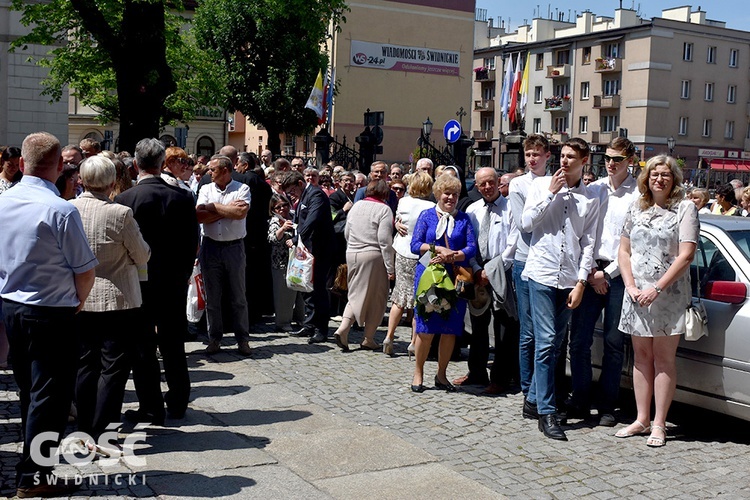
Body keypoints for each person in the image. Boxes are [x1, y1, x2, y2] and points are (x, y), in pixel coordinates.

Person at [0, 132, 97, 497]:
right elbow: (85, 269)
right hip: (52, 311)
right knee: (50, 397)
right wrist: (79, 302)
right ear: (58, 167)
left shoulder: (4, 203)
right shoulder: (61, 209)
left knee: (30, 391)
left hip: (14, 307)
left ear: (22, 164)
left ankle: (32, 467)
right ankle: (34, 477)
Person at [615, 155, 698, 447]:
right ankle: (641, 419)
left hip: (668, 295)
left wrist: (658, 289)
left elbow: (686, 255)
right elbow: (623, 251)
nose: (659, 179)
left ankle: (659, 424)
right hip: (636, 293)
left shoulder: (685, 208)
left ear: (673, 179)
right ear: (646, 179)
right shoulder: (636, 206)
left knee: (663, 359)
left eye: (665, 174)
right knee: (641, 358)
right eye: (654, 175)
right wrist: (631, 285)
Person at [115, 138, 199, 424]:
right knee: (173, 343)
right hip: (173, 280)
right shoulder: (184, 197)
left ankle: (151, 405)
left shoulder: (126, 200)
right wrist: (184, 273)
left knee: (143, 346)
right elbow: (192, 242)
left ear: (136, 165)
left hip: (139, 281)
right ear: (163, 164)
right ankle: (178, 400)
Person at [70, 155, 151, 451]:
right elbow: (142, 254)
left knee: (85, 363)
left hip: (80, 295)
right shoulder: (121, 213)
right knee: (113, 367)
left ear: (81, 179)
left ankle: (83, 428)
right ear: (113, 181)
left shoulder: (69, 209)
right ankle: (101, 430)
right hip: (118, 297)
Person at [521, 137, 599, 441]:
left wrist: (581, 282)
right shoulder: (541, 186)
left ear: (584, 161)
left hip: (568, 278)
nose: (564, 162)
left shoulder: (590, 198)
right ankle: (547, 412)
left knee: (555, 345)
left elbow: (588, 242)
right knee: (545, 341)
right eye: (562, 156)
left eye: (571, 158)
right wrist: (549, 195)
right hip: (540, 272)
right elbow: (527, 224)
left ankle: (532, 401)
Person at [568, 137, 640, 427]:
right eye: (607, 158)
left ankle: (609, 405)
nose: (611, 164)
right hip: (589, 270)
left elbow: (636, 244)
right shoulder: (594, 189)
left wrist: (606, 275)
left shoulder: (637, 194)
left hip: (619, 274)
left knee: (613, 342)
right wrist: (588, 274)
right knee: (579, 340)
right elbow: (580, 233)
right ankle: (581, 398)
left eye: (618, 159)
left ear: (630, 161)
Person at [410, 175, 477, 393]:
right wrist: (437, 249)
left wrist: (454, 255)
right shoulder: (426, 216)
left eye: (454, 194)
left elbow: (471, 248)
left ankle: (441, 374)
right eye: (446, 193)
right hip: (429, 275)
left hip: (454, 279)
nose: (450, 198)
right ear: (438, 194)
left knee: (450, 329)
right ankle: (418, 372)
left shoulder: (464, 219)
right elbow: (415, 244)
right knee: (426, 328)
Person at [455, 167, 518, 394]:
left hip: (502, 271)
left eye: (491, 182)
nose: (487, 188)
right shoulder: (472, 210)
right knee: (478, 326)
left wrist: (492, 271)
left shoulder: (511, 208)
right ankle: (477, 372)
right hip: (477, 271)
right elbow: (468, 243)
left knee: (504, 327)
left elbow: (513, 244)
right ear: (477, 186)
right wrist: (476, 269)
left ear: (499, 182)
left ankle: (501, 378)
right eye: (482, 184)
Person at [508, 134, 550, 420]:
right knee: (529, 331)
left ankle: (541, 388)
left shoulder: (556, 181)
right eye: (528, 154)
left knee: (548, 333)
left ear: (548, 155)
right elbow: (525, 224)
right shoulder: (518, 184)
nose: (532, 159)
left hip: (549, 263)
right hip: (525, 259)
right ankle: (528, 389)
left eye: (537, 154)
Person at [197, 155, 253, 355]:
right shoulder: (205, 189)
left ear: (226, 170)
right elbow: (199, 216)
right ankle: (215, 338)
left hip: (234, 247)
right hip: (210, 247)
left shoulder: (242, 188)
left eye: (213, 169)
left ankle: (242, 339)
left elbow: (240, 214)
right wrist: (226, 210)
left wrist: (212, 207)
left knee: (238, 296)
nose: (209, 172)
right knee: (213, 297)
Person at [333, 180, 396, 351]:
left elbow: (347, 231)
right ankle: (366, 336)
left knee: (355, 292)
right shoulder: (384, 209)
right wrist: (390, 268)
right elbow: (384, 240)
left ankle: (345, 327)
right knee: (378, 297)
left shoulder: (357, 205)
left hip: (352, 252)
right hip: (373, 255)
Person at [383, 172, 435, 356]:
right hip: (420, 254)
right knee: (417, 299)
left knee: (398, 297)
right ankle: (413, 342)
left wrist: (397, 225)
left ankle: (389, 336)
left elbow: (398, 220)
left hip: (402, 251)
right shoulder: (431, 206)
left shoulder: (403, 201)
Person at [281, 171, 335, 344]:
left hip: (320, 249)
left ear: (299, 183)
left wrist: (297, 239)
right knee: (307, 288)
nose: (291, 195)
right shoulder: (304, 196)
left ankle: (321, 329)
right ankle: (309, 324)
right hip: (308, 248)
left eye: (292, 191)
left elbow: (312, 221)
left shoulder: (316, 194)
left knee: (319, 289)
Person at [267, 193, 305, 332]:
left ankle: (301, 319)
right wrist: (282, 229)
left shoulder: (294, 215)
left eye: (285, 205)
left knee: (300, 291)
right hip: (281, 261)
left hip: (298, 260)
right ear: (273, 209)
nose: (282, 208)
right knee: (283, 293)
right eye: (278, 207)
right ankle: (283, 322)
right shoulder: (275, 221)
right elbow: (272, 239)